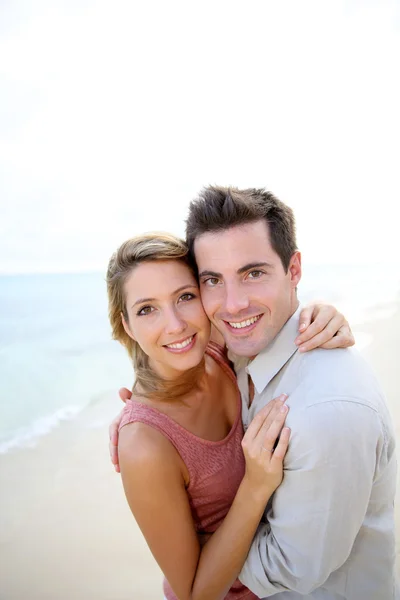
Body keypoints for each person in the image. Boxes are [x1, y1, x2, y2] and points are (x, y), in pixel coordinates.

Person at [110, 186, 397, 599]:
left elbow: (290, 568)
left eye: (253, 273)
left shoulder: (323, 413)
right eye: (212, 280)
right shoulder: (228, 350)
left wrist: (203, 552)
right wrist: (141, 420)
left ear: (293, 269)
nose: (233, 304)